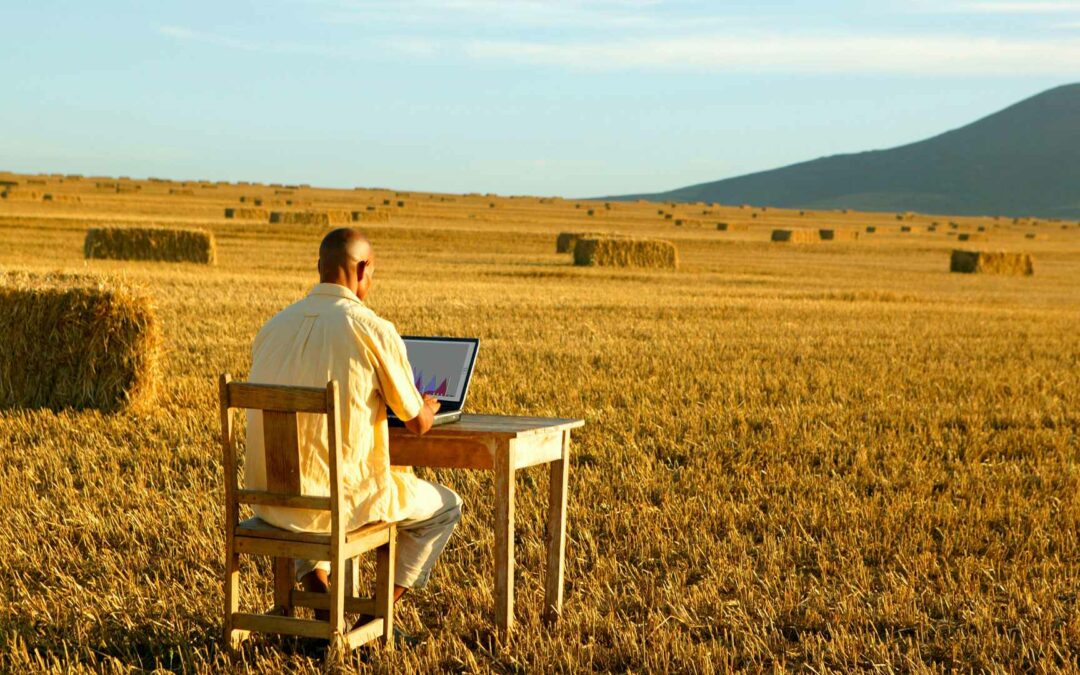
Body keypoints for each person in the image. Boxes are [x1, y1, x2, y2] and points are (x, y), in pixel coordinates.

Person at [245, 227, 462, 634]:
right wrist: (429, 405)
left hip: (273, 501)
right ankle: (374, 618)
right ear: (363, 269)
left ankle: (327, 614)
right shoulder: (372, 329)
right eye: (372, 274)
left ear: (320, 269)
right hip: (340, 505)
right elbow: (416, 423)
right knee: (446, 507)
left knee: (312, 501)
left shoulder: (272, 328)